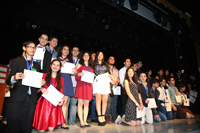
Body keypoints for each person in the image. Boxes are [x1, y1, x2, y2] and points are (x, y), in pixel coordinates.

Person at [6, 41, 43, 133]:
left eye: (34, 47)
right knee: (13, 121)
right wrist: (14, 77)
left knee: (27, 124)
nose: (32, 49)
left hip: (31, 98)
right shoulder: (17, 61)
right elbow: (8, 81)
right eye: (30, 47)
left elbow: (37, 85)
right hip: (18, 96)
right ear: (24, 48)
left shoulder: (37, 65)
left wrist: (41, 84)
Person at [32, 59, 65, 132]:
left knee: (51, 129)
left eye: (57, 65)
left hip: (54, 103)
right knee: (41, 130)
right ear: (50, 66)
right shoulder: (44, 75)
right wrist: (41, 88)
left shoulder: (61, 79)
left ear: (60, 68)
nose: (55, 66)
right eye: (54, 64)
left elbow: (61, 91)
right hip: (44, 103)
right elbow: (36, 87)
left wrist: (62, 99)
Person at [56, 45, 76, 129]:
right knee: (57, 102)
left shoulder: (70, 61)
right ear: (61, 50)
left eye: (68, 50)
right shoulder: (56, 59)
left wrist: (75, 72)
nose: (66, 51)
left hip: (67, 81)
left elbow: (73, 74)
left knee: (65, 102)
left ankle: (63, 122)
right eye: (65, 49)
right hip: (58, 81)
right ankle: (55, 121)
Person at [74, 51, 94, 128]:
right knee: (80, 104)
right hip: (81, 86)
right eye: (84, 55)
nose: (86, 56)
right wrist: (78, 74)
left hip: (88, 87)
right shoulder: (79, 66)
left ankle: (85, 121)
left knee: (86, 104)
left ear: (89, 57)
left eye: (87, 55)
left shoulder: (91, 68)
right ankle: (81, 121)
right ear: (82, 57)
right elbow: (76, 77)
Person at [93, 51, 111, 126]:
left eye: (101, 55)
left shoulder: (106, 64)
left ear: (103, 56)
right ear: (97, 56)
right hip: (97, 82)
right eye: (99, 55)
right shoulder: (93, 64)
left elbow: (109, 72)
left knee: (105, 100)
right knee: (98, 99)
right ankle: (99, 116)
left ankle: (103, 115)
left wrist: (110, 76)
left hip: (105, 82)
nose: (100, 56)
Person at [66, 46, 80, 125]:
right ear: (71, 52)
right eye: (74, 50)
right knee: (66, 103)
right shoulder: (67, 60)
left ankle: (72, 121)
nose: (75, 51)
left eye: (77, 50)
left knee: (74, 104)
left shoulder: (80, 62)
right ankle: (64, 121)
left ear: (78, 52)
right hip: (68, 83)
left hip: (76, 85)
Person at [105, 56, 119, 123]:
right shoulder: (106, 68)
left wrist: (117, 82)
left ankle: (114, 116)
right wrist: (111, 82)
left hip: (115, 87)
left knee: (114, 103)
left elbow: (118, 78)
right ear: (108, 60)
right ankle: (107, 116)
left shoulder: (116, 69)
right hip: (108, 86)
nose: (112, 60)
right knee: (108, 102)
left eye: (113, 59)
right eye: (110, 59)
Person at [89, 51, 97, 122]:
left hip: (95, 84)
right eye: (93, 55)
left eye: (95, 55)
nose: (94, 57)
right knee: (86, 101)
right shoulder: (88, 64)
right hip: (88, 84)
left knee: (94, 101)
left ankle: (93, 117)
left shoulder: (98, 65)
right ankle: (83, 117)